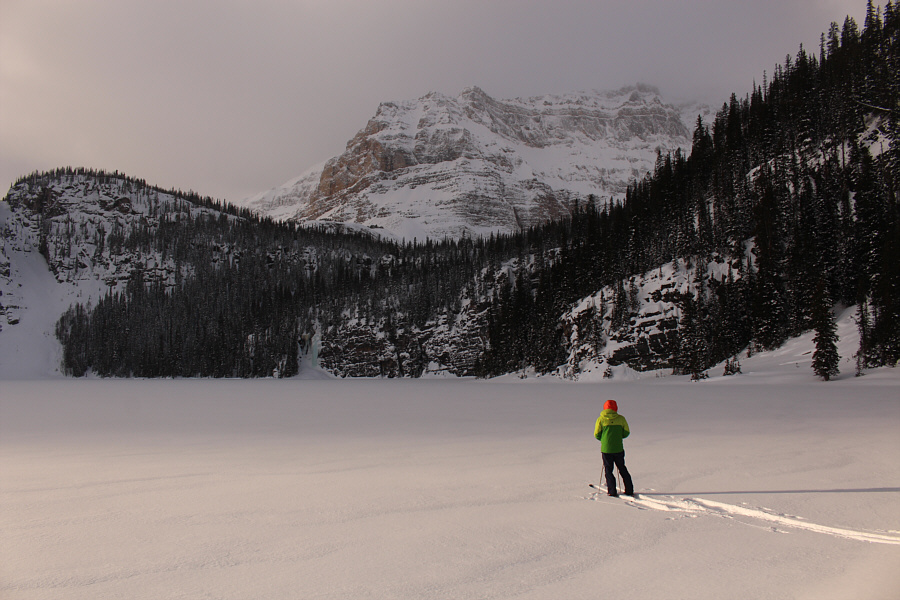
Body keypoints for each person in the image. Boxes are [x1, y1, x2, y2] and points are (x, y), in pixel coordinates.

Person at [594, 399, 634, 497]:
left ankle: (612, 491)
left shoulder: (601, 419)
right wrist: (618, 437)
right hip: (618, 448)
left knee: (608, 469)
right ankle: (629, 489)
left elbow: (597, 434)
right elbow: (626, 432)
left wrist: (604, 440)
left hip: (606, 449)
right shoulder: (621, 419)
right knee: (622, 468)